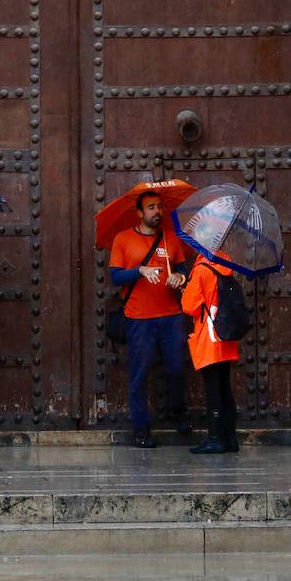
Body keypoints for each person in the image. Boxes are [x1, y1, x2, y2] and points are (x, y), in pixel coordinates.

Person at [109, 192, 191, 448]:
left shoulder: (171, 237)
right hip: (139, 318)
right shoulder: (123, 239)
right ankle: (141, 428)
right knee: (139, 375)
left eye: (159, 207)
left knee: (177, 369)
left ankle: (177, 413)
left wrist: (180, 278)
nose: (157, 211)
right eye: (151, 207)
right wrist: (139, 271)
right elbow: (115, 277)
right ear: (139, 213)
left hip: (171, 317)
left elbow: (182, 270)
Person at [180, 252, 241, 456]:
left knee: (213, 389)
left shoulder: (201, 269)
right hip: (224, 336)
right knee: (224, 387)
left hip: (208, 337)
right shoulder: (224, 266)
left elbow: (190, 306)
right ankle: (230, 437)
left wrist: (185, 289)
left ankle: (215, 438)